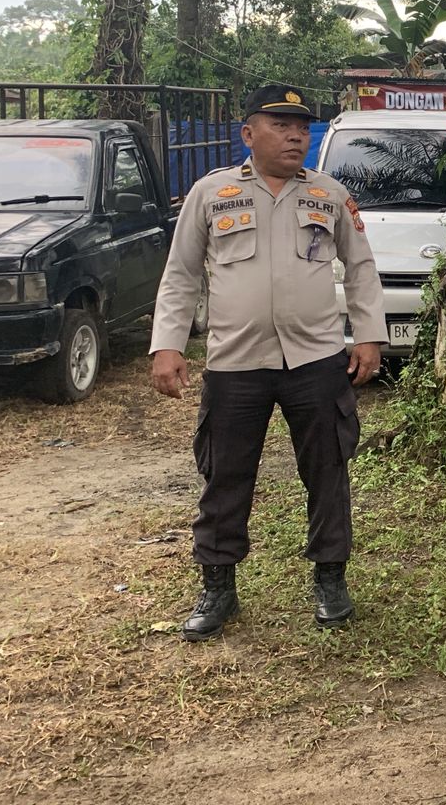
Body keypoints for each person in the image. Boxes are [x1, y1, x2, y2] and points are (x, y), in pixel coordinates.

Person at [149, 85, 385, 640]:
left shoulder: (329, 194)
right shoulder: (212, 193)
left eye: (301, 127)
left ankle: (331, 579)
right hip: (236, 362)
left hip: (316, 359)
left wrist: (369, 336)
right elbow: (181, 273)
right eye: (280, 126)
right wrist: (168, 344)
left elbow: (360, 268)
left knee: (327, 471)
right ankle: (218, 587)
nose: (295, 136)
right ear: (248, 134)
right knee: (225, 476)